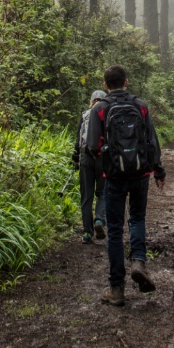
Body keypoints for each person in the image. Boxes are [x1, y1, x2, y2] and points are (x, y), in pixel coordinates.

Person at [87, 64, 165, 307]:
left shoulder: (99, 109)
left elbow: (92, 145)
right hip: (141, 173)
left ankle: (117, 289)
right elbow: (151, 140)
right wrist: (158, 169)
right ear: (126, 82)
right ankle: (139, 262)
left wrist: (107, 163)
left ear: (105, 85)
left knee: (114, 229)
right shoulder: (140, 106)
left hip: (114, 177)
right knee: (137, 219)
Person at [73, 89, 108, 244]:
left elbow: (78, 139)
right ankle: (99, 220)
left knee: (86, 196)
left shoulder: (85, 114)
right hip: (103, 158)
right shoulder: (107, 114)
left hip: (86, 157)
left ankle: (87, 233)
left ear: (92, 100)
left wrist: (75, 157)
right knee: (103, 193)